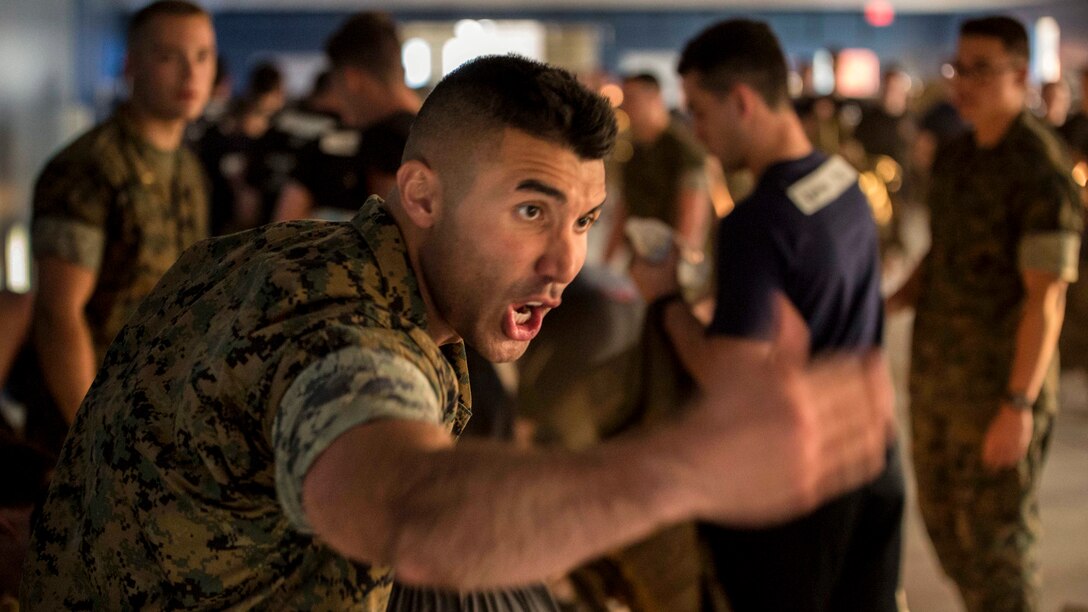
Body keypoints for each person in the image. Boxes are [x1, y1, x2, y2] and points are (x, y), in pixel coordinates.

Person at [22, 54, 895, 609]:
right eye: (529, 209)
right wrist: (685, 469)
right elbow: (409, 505)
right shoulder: (347, 327)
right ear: (423, 197)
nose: (564, 261)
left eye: (585, 220)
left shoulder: (269, 253)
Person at [629, 20, 905, 612]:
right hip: (874, 458)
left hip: (801, 488)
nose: (697, 133)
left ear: (743, 101)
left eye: (701, 112)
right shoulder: (842, 182)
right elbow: (815, 297)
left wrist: (666, 300)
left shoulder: (758, 222)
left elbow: (729, 374)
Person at [889, 16, 1083, 612]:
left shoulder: (1041, 171)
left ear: (1020, 75)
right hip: (938, 379)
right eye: (957, 68)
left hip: (999, 389)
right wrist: (885, 305)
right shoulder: (956, 158)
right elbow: (940, 254)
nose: (962, 83)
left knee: (998, 549)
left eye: (980, 69)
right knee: (944, 527)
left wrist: (1018, 404)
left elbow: (1045, 298)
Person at [8, 0, 214, 455]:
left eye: (202, 56)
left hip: (156, 418)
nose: (191, 74)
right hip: (85, 432)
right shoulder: (90, 168)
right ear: (131, 66)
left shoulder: (188, 171)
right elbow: (59, 314)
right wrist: (95, 434)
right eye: (168, 56)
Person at [273, 11, 419, 222]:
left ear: (351, 80)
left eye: (337, 87)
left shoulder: (369, 144)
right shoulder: (447, 133)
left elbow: (284, 227)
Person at [604, 72, 712, 262]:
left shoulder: (683, 150)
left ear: (655, 98)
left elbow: (691, 223)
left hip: (670, 268)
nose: (625, 107)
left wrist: (677, 275)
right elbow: (625, 209)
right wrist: (606, 265)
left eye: (632, 98)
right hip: (642, 264)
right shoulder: (633, 151)